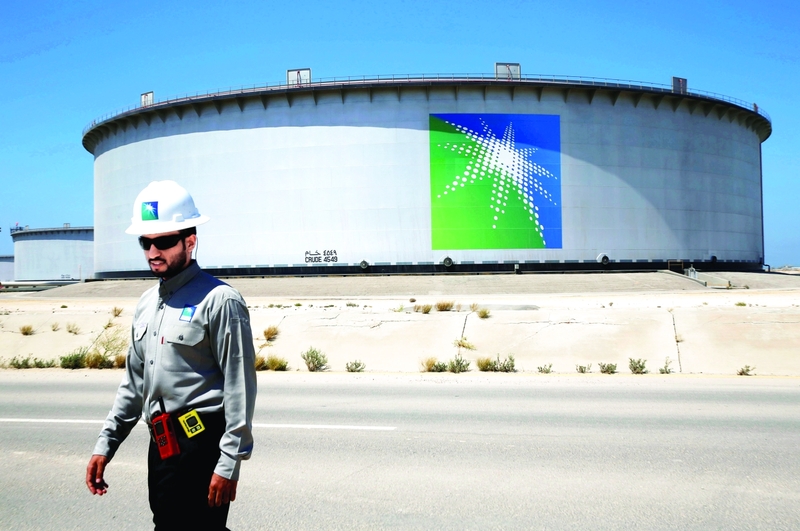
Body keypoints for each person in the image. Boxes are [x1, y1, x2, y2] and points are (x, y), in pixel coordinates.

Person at [86, 180, 257, 530]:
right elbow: (134, 384)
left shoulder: (220, 301)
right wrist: (106, 444)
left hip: (202, 444)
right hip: (162, 443)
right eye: (145, 242)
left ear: (190, 241)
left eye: (163, 241)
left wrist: (229, 463)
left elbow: (240, 387)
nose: (153, 251)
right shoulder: (147, 304)